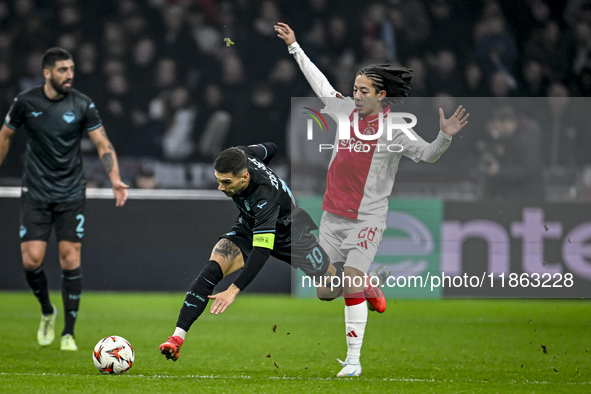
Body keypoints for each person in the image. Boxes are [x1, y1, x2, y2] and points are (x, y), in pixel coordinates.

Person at [274, 22, 470, 377]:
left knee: (347, 280)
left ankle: (353, 360)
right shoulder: (343, 111)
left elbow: (427, 155)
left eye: (363, 90)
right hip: (332, 218)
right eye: (355, 89)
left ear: (381, 95)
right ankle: (368, 283)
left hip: (367, 219)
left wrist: (444, 138)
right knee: (323, 291)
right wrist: (294, 47)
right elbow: (319, 84)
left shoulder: (396, 129)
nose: (357, 95)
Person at [159, 143, 387, 361]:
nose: (221, 187)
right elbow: (272, 147)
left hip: (292, 237)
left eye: (226, 182)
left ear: (245, 177)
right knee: (212, 269)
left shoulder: (265, 198)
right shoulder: (241, 155)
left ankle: (365, 283)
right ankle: (177, 338)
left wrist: (233, 290)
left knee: (327, 292)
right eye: (218, 181)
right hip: (249, 227)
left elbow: (262, 250)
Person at [0, 47, 129, 351]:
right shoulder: (25, 102)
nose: (70, 74)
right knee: (31, 261)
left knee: (70, 258)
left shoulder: (82, 104)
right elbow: (5, 135)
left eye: (71, 69)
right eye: (62, 70)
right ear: (46, 73)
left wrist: (115, 180)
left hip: (70, 192)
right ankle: (48, 311)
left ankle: (68, 332)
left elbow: (102, 143)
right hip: (35, 191)